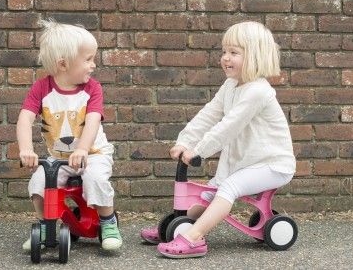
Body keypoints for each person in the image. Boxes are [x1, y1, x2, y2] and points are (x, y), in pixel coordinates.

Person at [141, 21, 296, 258]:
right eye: (224, 51)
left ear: (254, 56)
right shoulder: (231, 85)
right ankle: (173, 227)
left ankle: (193, 238)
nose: (225, 58)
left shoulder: (258, 91)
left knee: (228, 188)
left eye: (234, 53)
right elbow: (209, 114)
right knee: (209, 192)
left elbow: (228, 127)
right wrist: (185, 141)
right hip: (247, 162)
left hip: (273, 164)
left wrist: (200, 150)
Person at [17, 19, 122, 252]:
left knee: (96, 178)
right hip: (60, 157)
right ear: (63, 64)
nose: (93, 65)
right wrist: (26, 149)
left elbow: (93, 121)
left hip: (93, 153)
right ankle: (46, 225)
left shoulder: (92, 89)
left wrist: (83, 149)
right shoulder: (41, 89)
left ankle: (107, 222)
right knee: (39, 182)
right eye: (87, 59)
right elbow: (25, 118)